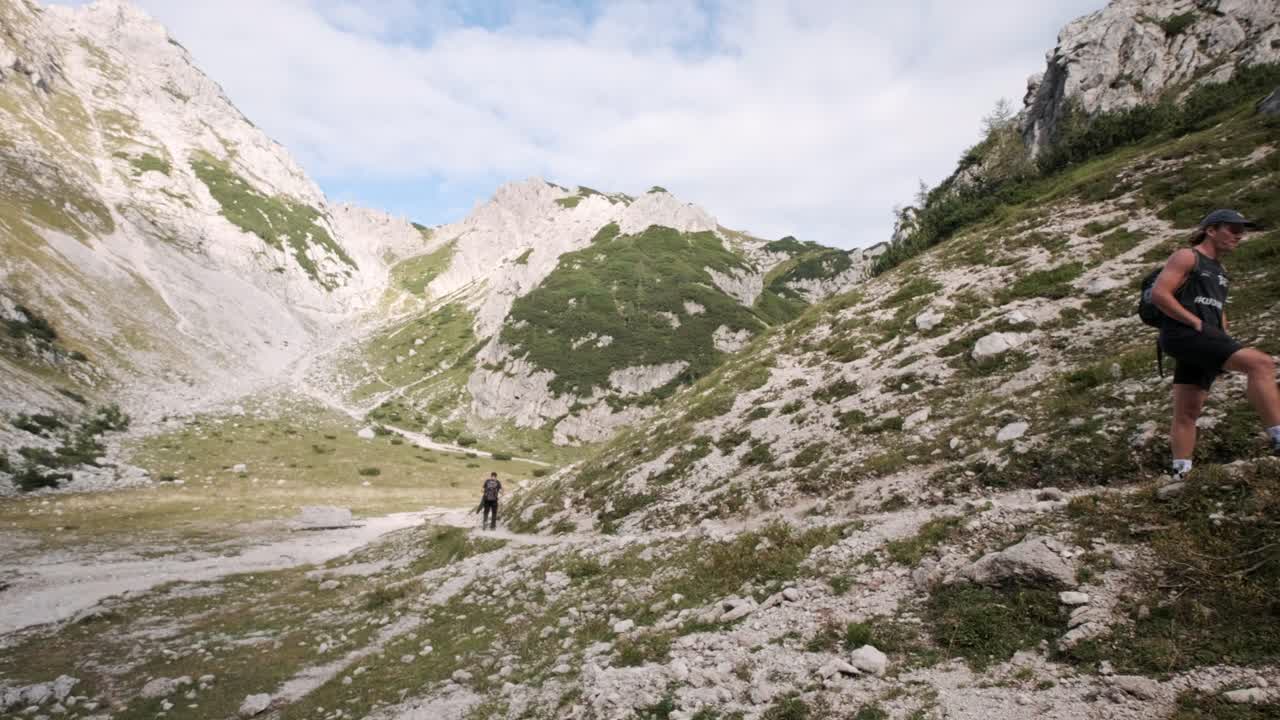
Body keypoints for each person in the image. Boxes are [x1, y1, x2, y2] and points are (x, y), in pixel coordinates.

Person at [1150, 208, 1280, 481]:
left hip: (1204, 338)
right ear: (1211, 229)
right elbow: (1160, 294)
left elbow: (1216, 307)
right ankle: (1278, 436)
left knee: (1188, 409)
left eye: (1242, 231)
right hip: (1184, 334)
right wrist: (1195, 323)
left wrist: (1223, 334)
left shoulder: (1220, 269)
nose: (1239, 236)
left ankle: (1180, 474)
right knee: (1261, 364)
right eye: (1232, 229)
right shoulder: (1188, 256)